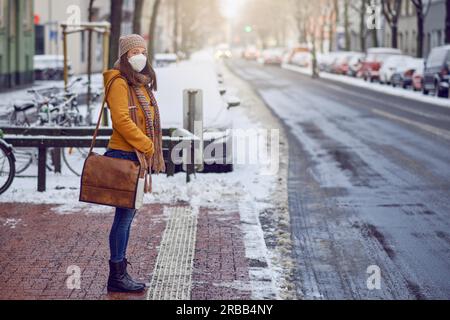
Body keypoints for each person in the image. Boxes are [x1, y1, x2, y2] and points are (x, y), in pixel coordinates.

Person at [102, 34, 165, 293]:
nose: (139, 55)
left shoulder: (140, 84)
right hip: (125, 156)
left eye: (142, 50)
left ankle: (119, 272)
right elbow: (121, 121)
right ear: (124, 56)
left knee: (127, 217)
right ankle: (117, 275)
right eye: (133, 51)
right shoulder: (119, 82)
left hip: (136, 157)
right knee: (124, 219)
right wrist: (147, 145)